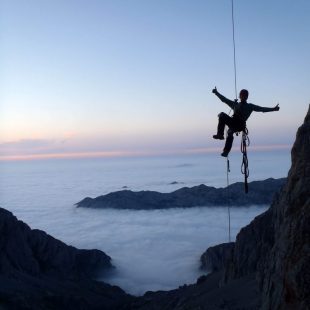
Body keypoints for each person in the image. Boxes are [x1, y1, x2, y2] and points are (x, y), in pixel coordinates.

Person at [212, 87, 280, 157]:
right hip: (233, 122)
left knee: (229, 130)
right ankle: (221, 139)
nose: (243, 96)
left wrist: (273, 109)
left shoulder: (249, 106)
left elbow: (262, 109)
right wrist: (216, 93)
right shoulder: (236, 105)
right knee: (223, 117)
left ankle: (225, 147)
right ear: (240, 96)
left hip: (239, 125)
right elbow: (224, 99)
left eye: (244, 95)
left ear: (246, 97)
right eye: (242, 95)